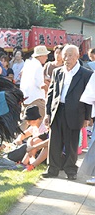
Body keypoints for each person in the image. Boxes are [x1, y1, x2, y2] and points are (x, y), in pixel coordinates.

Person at [43, 44, 93, 180]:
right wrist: (48, 113)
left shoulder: (86, 74)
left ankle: (70, 170)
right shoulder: (57, 72)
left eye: (70, 55)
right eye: (65, 54)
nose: (67, 58)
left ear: (77, 56)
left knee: (71, 143)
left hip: (76, 112)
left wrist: (87, 117)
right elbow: (51, 94)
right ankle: (52, 169)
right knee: (54, 141)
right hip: (57, 110)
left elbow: (89, 97)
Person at [19, 45, 49, 125]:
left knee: (25, 122)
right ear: (40, 56)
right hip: (36, 98)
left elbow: (21, 75)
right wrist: (49, 90)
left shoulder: (28, 63)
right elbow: (40, 84)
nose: (47, 57)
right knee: (43, 121)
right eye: (45, 55)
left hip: (25, 96)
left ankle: (17, 137)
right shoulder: (38, 66)